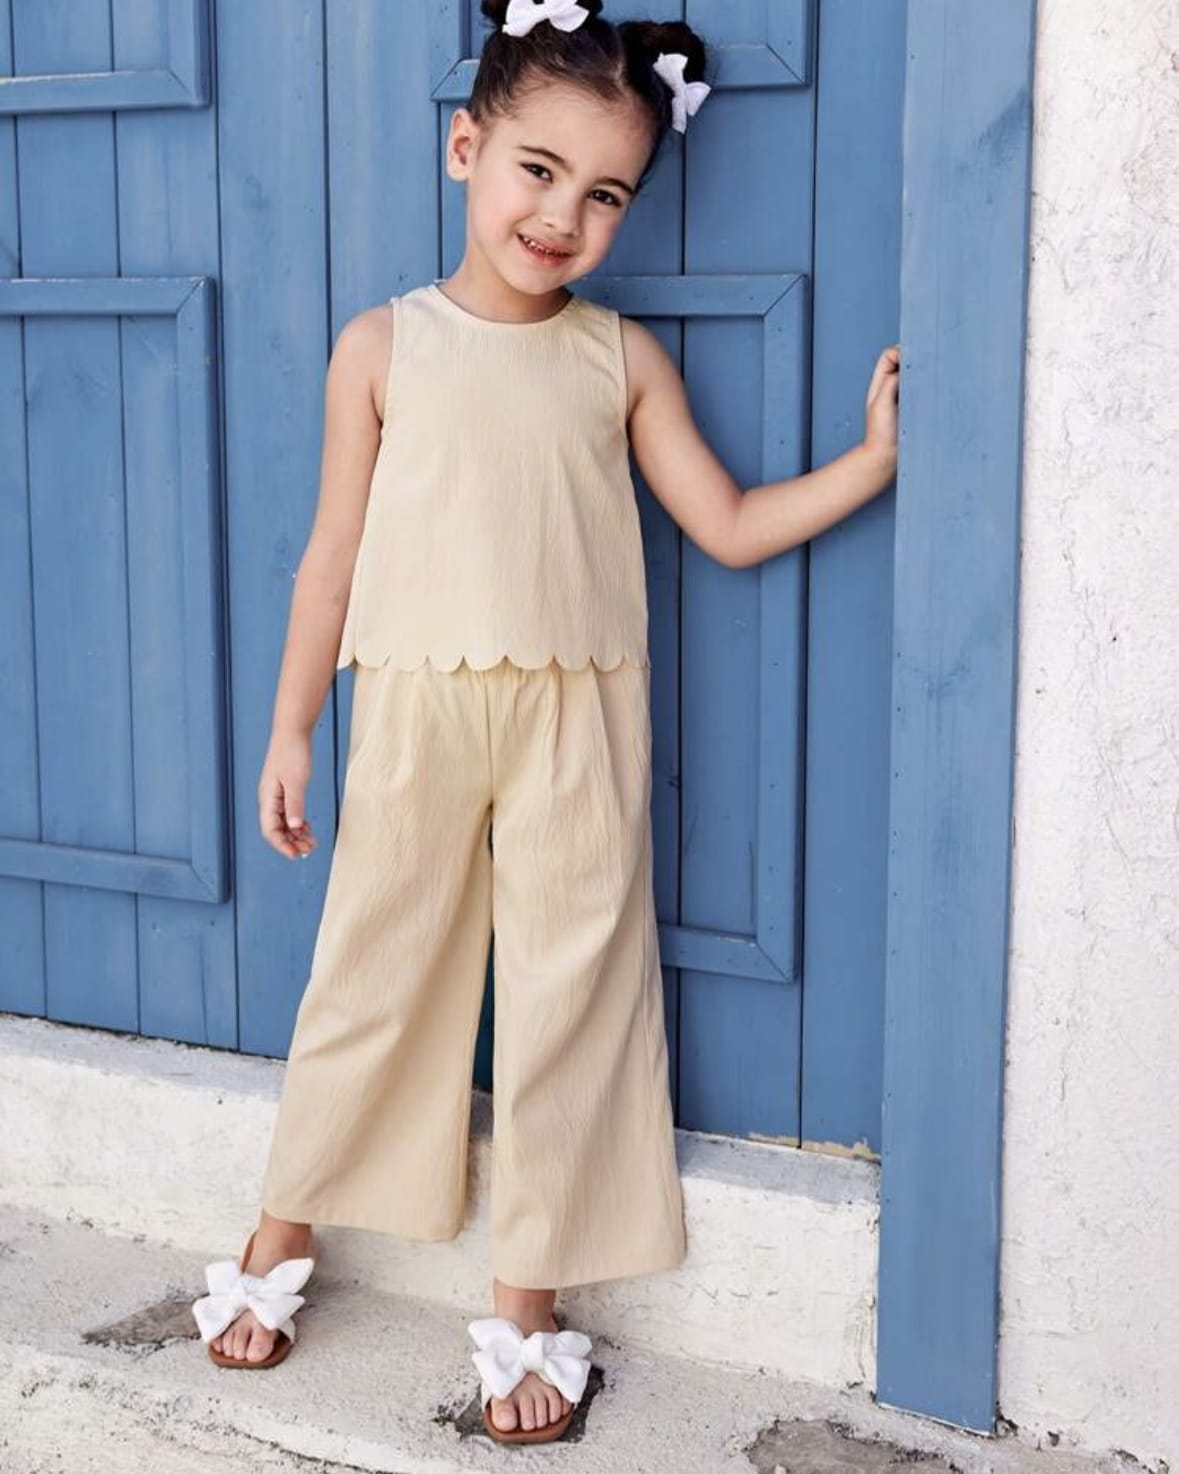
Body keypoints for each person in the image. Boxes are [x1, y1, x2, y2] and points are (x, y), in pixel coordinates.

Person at [191, 0, 899, 1447]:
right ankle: (283, 1223)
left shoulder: (620, 361)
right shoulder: (382, 345)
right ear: (467, 147)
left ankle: (529, 1292)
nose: (563, 216)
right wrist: (292, 728)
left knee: (574, 990)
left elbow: (730, 523)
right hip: (415, 704)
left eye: (606, 192)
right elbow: (330, 556)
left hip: (581, 716)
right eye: (537, 169)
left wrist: (873, 462)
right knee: (373, 965)